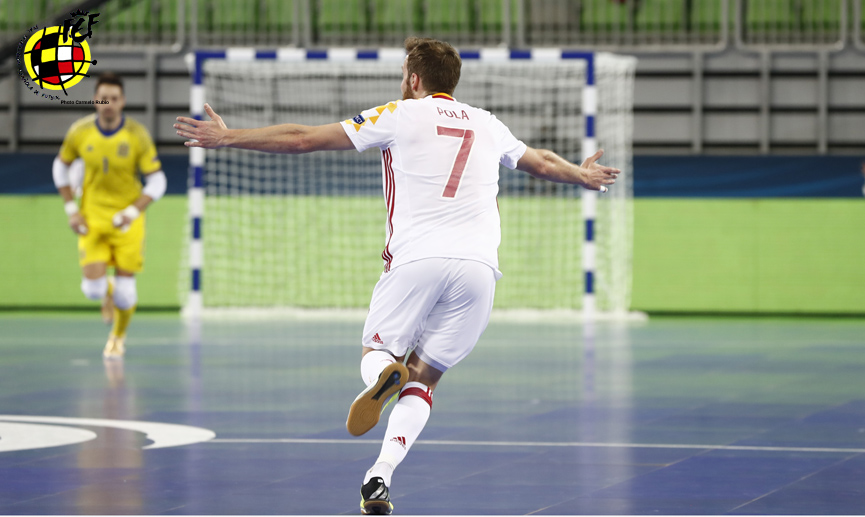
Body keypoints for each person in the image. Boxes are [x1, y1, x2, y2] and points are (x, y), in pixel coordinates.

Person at [174, 37, 618, 515]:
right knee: (424, 381)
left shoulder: (399, 114)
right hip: (479, 269)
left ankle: (382, 373)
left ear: (414, 78)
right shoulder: (487, 123)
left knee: (378, 353)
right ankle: (380, 475)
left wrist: (228, 137)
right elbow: (542, 162)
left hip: (418, 260)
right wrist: (581, 175)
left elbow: (303, 138)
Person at [53, 72, 167, 359]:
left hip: (127, 222)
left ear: (123, 101)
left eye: (114, 98)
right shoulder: (80, 132)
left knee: (126, 295)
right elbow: (60, 167)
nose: (109, 104)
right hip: (92, 219)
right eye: (104, 98)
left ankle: (117, 337)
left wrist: (132, 211)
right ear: (95, 99)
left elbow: (157, 181)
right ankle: (108, 291)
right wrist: (71, 210)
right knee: (92, 291)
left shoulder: (137, 135)